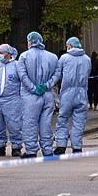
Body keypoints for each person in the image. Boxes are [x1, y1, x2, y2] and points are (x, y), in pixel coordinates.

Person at [16, 31, 59, 159]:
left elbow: (22, 76)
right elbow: (57, 74)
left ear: (30, 41)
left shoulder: (24, 56)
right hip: (47, 94)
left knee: (30, 123)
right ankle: (47, 149)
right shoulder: (53, 57)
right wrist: (46, 86)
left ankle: (31, 150)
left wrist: (34, 89)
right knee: (46, 123)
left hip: (30, 96)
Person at [51, 37, 91, 154]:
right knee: (79, 121)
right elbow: (88, 73)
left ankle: (61, 146)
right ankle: (77, 147)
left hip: (67, 92)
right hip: (82, 92)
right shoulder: (87, 59)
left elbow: (58, 74)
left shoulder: (64, 58)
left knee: (63, 119)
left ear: (69, 45)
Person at [0, 44, 23, 157]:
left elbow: (22, 82)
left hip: (12, 99)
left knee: (14, 124)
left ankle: (16, 147)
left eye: (2, 53)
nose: (0, 55)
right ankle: (0, 146)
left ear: (9, 54)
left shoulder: (17, 66)